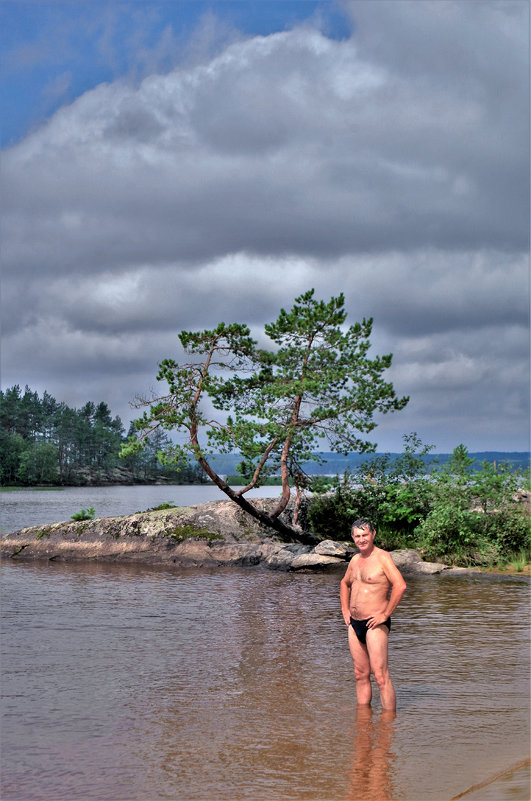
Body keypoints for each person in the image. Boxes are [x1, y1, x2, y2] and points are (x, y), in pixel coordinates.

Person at [340, 519, 407, 711]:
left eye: (365, 535)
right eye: (357, 536)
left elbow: (400, 585)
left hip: (375, 623)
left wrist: (385, 614)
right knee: (360, 673)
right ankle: (363, 719)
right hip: (354, 624)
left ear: (373, 534)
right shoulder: (354, 560)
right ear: (353, 538)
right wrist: (345, 610)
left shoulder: (382, 557)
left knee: (380, 676)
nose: (361, 539)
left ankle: (388, 723)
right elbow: (345, 583)